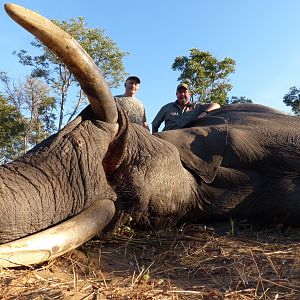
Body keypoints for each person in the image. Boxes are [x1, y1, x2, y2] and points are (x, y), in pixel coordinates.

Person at [152, 83, 220, 133]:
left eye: (184, 92)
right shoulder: (166, 108)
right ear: (176, 94)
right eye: (180, 92)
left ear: (189, 94)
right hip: (168, 140)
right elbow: (155, 125)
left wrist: (205, 112)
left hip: (187, 142)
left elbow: (216, 105)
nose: (182, 94)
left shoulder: (197, 107)